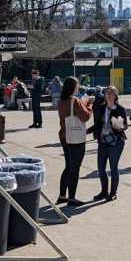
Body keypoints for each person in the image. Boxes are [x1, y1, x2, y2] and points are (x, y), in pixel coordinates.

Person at [57, 76, 93, 207]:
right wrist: (89, 104)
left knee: (68, 166)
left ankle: (62, 195)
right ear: (73, 87)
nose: (78, 87)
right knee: (75, 168)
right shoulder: (75, 101)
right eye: (77, 85)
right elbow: (85, 116)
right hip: (76, 139)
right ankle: (72, 198)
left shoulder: (61, 101)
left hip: (64, 137)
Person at [90, 86, 129, 201]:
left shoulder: (120, 109)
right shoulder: (101, 107)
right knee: (101, 168)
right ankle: (103, 191)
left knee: (113, 168)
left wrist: (119, 126)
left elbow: (125, 125)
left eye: (111, 93)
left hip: (116, 142)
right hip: (103, 141)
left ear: (116, 95)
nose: (109, 95)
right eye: (107, 93)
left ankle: (113, 193)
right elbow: (98, 124)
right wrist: (87, 131)